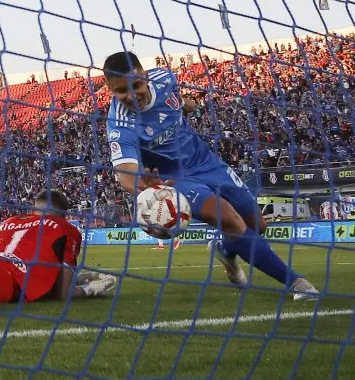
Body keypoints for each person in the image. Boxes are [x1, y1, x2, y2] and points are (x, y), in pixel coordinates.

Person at [102, 51, 318, 300]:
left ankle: (224, 248)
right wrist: (146, 188)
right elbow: (126, 175)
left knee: (258, 225)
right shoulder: (120, 122)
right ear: (110, 90)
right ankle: (296, 283)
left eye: (135, 85)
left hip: (206, 162)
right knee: (230, 219)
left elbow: (176, 100)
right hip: (174, 179)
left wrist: (188, 103)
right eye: (120, 91)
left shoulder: (165, 78)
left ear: (145, 75)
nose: (130, 96)